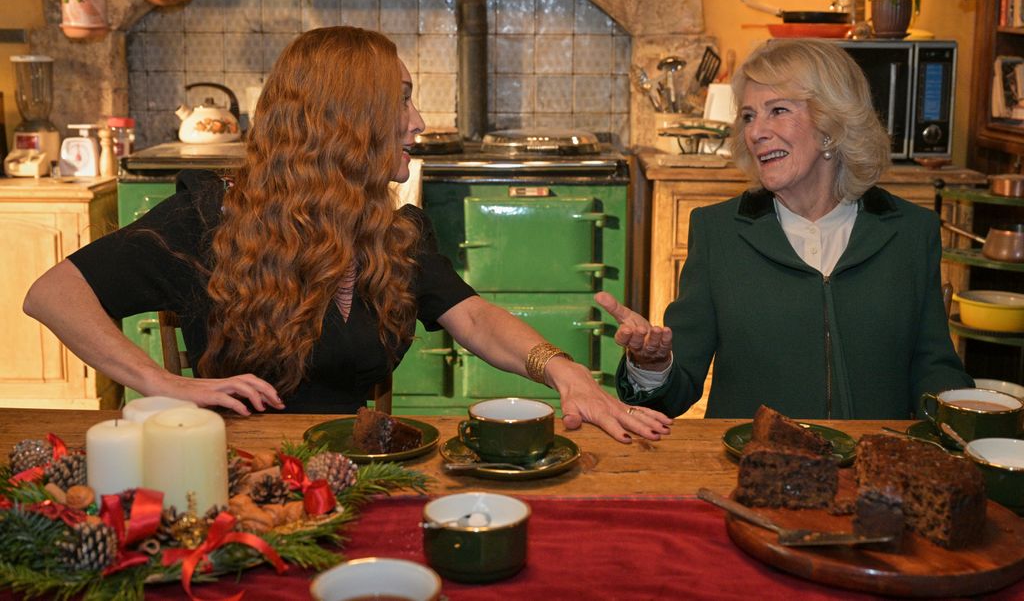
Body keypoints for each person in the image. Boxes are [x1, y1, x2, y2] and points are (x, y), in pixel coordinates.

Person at [23, 26, 671, 443]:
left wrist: (564, 373)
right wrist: (158, 382)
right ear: (344, 121)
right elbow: (53, 293)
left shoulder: (393, 237)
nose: (418, 121)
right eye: (403, 99)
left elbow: (475, 318)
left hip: (358, 466)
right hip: (238, 478)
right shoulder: (208, 222)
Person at [597, 38, 971, 420]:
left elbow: (934, 367)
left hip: (870, 468)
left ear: (831, 127)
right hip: (754, 467)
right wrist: (651, 365)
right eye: (748, 116)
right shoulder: (719, 233)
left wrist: (965, 425)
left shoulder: (909, 231)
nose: (756, 132)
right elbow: (673, 393)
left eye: (777, 110)